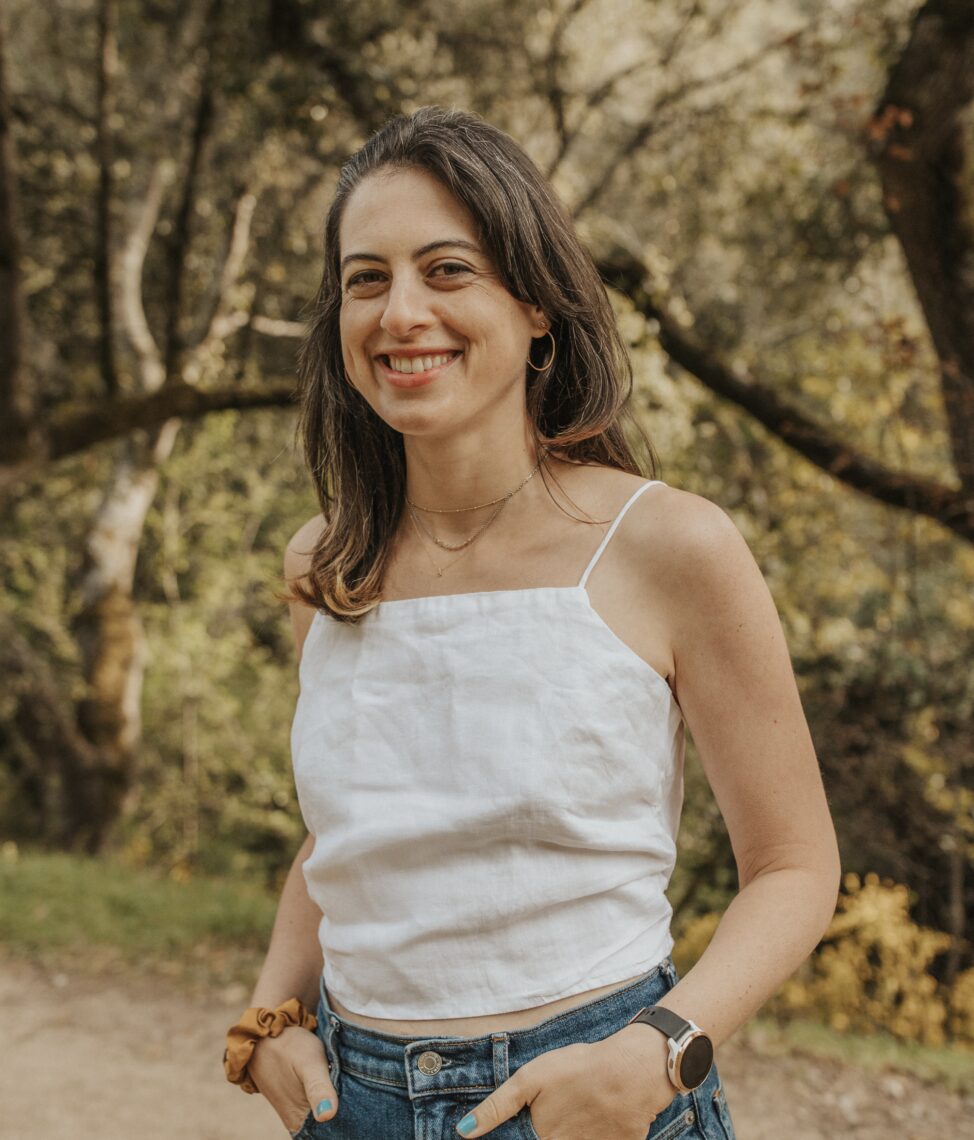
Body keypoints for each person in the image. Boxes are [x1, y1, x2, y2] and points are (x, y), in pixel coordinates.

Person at [223, 106, 840, 1140]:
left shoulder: (669, 546)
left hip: (591, 1095)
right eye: (364, 279)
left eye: (446, 269)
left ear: (538, 305)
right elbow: (346, 837)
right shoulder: (324, 564)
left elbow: (793, 867)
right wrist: (269, 1014)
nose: (398, 311)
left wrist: (657, 1056)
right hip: (351, 1099)